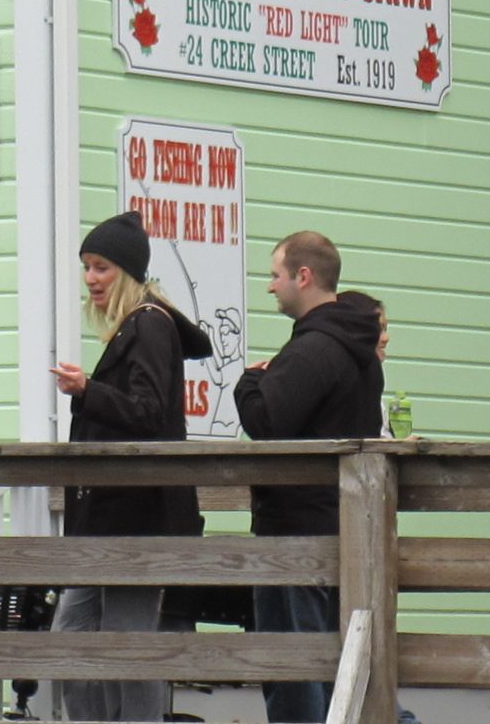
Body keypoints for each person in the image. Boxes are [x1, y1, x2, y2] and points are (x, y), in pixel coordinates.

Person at [47, 213, 212, 724]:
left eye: (102, 268)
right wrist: (91, 392)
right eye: (87, 267)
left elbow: (147, 412)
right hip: (105, 518)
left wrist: (88, 391)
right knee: (72, 639)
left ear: (128, 272)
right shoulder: (136, 326)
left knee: (128, 643)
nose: (91, 278)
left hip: (137, 516)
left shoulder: (149, 325)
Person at [230, 231, 385, 724]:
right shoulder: (358, 348)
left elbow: (266, 420)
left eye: (275, 275)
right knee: (335, 668)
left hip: (295, 532)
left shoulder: (313, 349)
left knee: (292, 667)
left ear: (304, 276)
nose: (270, 286)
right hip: (344, 525)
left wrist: (249, 381)